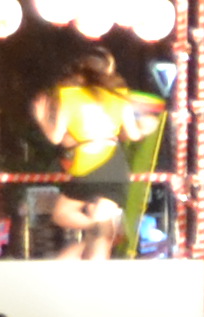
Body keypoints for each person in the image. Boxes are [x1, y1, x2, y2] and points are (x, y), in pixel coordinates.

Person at [30, 44, 162, 258]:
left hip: (87, 166)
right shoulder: (119, 95)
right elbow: (134, 135)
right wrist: (145, 126)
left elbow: (56, 137)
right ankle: (100, 236)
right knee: (100, 232)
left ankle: (97, 232)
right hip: (113, 164)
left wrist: (42, 119)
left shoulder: (68, 95)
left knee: (64, 215)